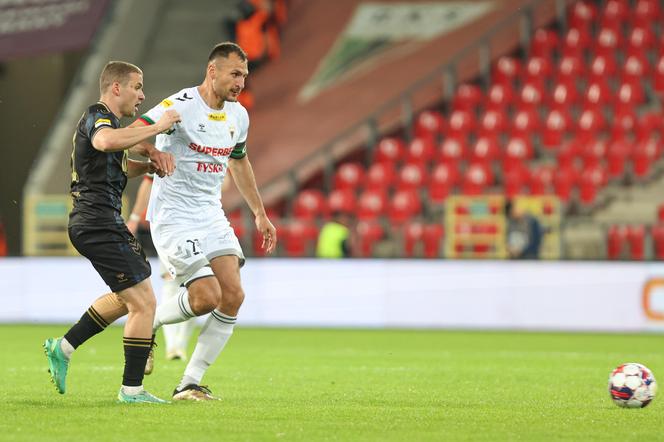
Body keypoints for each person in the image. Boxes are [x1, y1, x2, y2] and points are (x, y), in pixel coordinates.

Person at [132, 42, 277, 401]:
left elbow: (239, 162)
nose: (241, 82)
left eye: (244, 75)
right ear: (212, 71)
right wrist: (153, 150)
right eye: (234, 74)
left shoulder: (238, 116)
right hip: (174, 216)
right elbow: (133, 135)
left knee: (233, 295)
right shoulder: (178, 105)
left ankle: (189, 383)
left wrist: (259, 212)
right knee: (205, 296)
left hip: (210, 213)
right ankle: (148, 323)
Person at [43, 61, 180, 404]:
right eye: (137, 86)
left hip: (99, 222)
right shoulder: (98, 116)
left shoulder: (113, 125)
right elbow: (106, 142)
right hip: (97, 222)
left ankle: (63, 347)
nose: (143, 94)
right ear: (116, 88)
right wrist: (157, 127)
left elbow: (115, 162)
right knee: (145, 303)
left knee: (128, 297)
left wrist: (148, 166)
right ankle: (131, 390)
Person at [127, 175, 195, 361]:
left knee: (201, 287)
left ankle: (180, 343)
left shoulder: (213, 150)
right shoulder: (168, 147)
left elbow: (225, 182)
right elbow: (149, 180)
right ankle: (173, 345)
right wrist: (134, 217)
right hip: (170, 225)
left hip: (201, 224)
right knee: (171, 282)